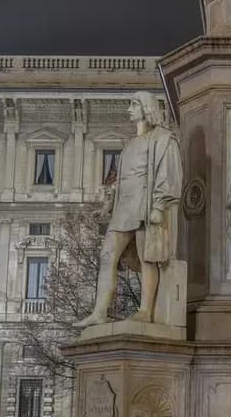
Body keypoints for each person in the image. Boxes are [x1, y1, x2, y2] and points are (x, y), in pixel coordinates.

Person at [76, 91, 182, 327]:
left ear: (146, 108)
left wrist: (159, 205)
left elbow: (168, 174)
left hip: (146, 207)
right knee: (107, 255)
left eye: (133, 105)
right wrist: (108, 206)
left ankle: (145, 311)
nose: (128, 110)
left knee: (148, 259)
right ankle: (99, 312)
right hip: (123, 210)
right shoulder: (130, 145)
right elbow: (122, 180)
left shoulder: (164, 139)